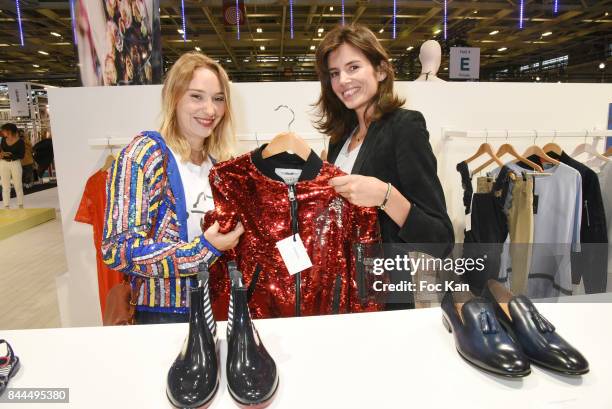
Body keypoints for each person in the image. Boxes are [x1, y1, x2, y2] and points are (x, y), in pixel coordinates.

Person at [314, 24, 454, 309]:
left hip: (387, 293)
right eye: (335, 73)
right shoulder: (340, 138)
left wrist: (385, 195)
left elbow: (440, 238)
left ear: (380, 70)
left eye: (353, 67)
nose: (343, 80)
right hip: (343, 288)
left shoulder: (405, 127)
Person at [102, 52, 244, 324]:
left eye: (218, 99)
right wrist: (201, 250)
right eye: (196, 97)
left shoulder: (217, 166)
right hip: (163, 315)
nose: (210, 110)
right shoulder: (145, 155)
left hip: (214, 308)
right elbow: (117, 249)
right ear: (174, 98)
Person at [0, 123, 25, 209]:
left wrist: (10, 155)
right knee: (5, 185)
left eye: (4, 130)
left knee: (18, 184)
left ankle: (20, 204)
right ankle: (6, 205)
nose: (3, 132)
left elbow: (22, 155)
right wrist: (2, 154)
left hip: (15, 163)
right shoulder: (3, 139)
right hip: (3, 163)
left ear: (9, 131)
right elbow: (1, 151)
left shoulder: (20, 141)